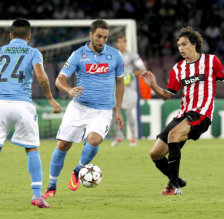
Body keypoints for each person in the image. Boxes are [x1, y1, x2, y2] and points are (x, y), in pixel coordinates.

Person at [42, 19, 125, 198]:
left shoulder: (115, 55)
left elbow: (120, 82)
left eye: (105, 37)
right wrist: (70, 89)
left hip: (103, 110)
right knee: (63, 145)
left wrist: (118, 110)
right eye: (98, 36)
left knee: (94, 140)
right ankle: (51, 185)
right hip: (79, 108)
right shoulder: (78, 55)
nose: (102, 40)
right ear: (91, 35)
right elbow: (59, 80)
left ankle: (78, 170)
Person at [141, 26, 224, 195]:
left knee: (173, 135)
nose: (181, 48)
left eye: (184, 44)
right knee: (155, 154)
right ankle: (177, 180)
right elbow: (166, 95)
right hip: (183, 114)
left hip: (201, 114)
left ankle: (173, 186)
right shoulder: (178, 68)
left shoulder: (211, 61)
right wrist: (153, 85)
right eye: (179, 45)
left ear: (194, 44)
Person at [0, 18, 62, 208]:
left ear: (10, 35)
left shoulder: (1, 51)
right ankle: (37, 195)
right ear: (29, 36)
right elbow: (41, 76)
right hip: (22, 105)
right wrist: (50, 98)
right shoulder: (33, 52)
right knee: (32, 148)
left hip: (0, 103)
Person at [111, 35, 147, 147]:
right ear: (116, 44)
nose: (122, 44)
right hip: (114, 87)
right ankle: (119, 136)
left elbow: (142, 68)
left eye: (124, 42)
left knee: (128, 111)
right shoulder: (112, 55)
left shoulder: (132, 55)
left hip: (128, 88)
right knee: (113, 111)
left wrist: (131, 75)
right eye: (119, 42)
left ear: (126, 43)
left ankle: (133, 137)